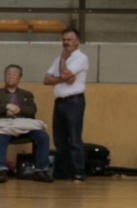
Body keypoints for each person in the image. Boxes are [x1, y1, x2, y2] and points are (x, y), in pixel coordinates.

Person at [0, 65, 50, 183]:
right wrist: (6, 107)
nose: (11, 76)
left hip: (24, 125)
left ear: (20, 78)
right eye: (8, 73)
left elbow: (32, 111)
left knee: (43, 136)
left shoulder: (27, 94)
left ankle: (40, 170)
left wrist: (19, 109)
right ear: (4, 76)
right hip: (4, 126)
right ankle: (0, 170)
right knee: (0, 137)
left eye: (14, 74)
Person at [43, 27, 89, 182]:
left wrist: (63, 61)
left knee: (75, 139)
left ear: (77, 42)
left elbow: (63, 75)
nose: (65, 43)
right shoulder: (57, 58)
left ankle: (78, 172)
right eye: (64, 40)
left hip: (74, 101)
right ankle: (63, 172)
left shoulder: (80, 58)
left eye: (69, 40)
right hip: (60, 101)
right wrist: (63, 77)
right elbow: (46, 80)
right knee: (59, 139)